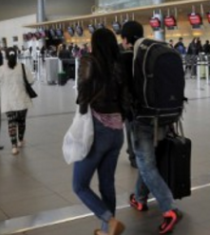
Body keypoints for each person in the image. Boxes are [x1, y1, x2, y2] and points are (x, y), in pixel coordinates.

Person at [122, 21, 182, 234]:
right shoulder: (154, 48)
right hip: (165, 115)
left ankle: (169, 208)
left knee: (146, 164)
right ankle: (139, 198)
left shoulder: (130, 56)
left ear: (125, 39)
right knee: (147, 160)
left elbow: (124, 88)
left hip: (143, 118)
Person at [73, 28, 127, 235]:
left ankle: (108, 220)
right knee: (107, 183)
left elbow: (82, 92)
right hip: (117, 129)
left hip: (97, 127)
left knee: (79, 185)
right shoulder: (119, 62)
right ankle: (107, 230)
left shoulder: (89, 60)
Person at [0, 48, 34, 155]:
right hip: (22, 99)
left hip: (8, 101)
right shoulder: (22, 67)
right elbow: (31, 80)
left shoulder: (0, 69)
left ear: (5, 56)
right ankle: (20, 140)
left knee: (11, 122)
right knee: (22, 121)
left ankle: (13, 147)